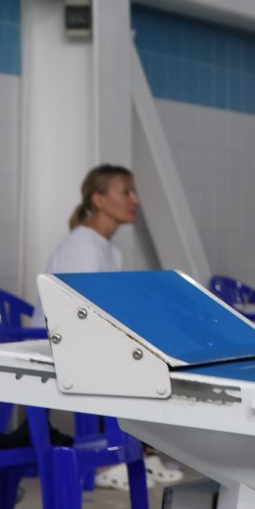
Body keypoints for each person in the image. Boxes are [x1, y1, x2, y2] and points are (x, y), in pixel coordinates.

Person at [45, 164, 182, 490]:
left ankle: (139, 450)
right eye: (126, 192)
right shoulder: (83, 246)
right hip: (56, 338)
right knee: (136, 359)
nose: (135, 200)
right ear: (99, 199)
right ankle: (107, 460)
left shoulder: (109, 249)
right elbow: (75, 313)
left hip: (84, 335)